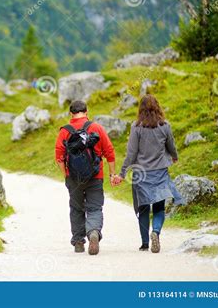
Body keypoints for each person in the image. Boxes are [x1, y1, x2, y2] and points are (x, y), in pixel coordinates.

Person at [117, 94, 184, 253]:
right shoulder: (165, 125)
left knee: (143, 208)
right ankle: (156, 231)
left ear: (140, 109)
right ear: (158, 108)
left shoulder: (136, 127)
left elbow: (131, 154)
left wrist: (122, 173)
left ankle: (145, 243)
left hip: (141, 174)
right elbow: (171, 145)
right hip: (160, 172)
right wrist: (174, 156)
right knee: (159, 207)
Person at [55, 100, 117, 255]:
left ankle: (78, 241)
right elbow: (109, 151)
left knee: (76, 208)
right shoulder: (96, 128)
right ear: (86, 111)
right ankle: (93, 232)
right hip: (95, 176)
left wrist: (66, 175)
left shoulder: (64, 131)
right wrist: (112, 173)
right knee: (95, 207)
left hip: (74, 178)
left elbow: (59, 157)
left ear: (71, 113)